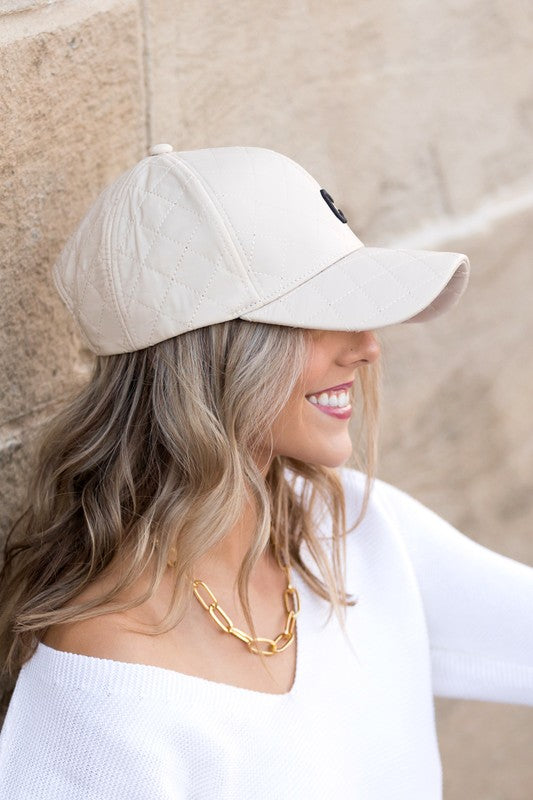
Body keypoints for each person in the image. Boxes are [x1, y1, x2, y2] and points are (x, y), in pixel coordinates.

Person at [0, 144, 531, 799]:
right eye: (318, 315)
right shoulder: (104, 691)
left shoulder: (345, 527)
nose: (367, 347)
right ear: (207, 354)